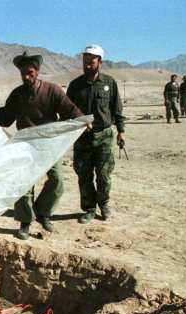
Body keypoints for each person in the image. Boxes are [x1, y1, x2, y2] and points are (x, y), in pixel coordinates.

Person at [0, 50, 83, 240]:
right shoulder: (17, 95)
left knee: (57, 181)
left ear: (38, 71)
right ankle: (25, 222)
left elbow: (70, 109)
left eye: (30, 73)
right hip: (25, 146)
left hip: (49, 145)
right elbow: (5, 118)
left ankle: (43, 213)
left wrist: (83, 120)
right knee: (24, 184)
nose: (26, 77)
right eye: (22, 73)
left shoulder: (52, 91)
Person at [66, 44, 126, 224]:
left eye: (91, 62)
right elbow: (68, 110)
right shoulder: (75, 85)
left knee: (104, 174)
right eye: (85, 62)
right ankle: (89, 209)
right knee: (84, 175)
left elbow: (117, 109)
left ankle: (104, 205)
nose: (87, 65)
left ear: (100, 62)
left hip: (105, 136)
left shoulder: (109, 83)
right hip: (82, 137)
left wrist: (121, 131)